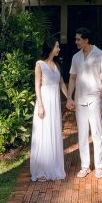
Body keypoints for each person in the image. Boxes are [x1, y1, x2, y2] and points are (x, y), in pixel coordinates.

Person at [67, 28, 102, 179]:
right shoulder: (75, 57)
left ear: (86, 40)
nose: (76, 42)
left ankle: (99, 167)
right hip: (79, 101)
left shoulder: (100, 55)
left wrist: (101, 94)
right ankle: (85, 166)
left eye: (78, 39)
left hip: (94, 99)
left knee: (97, 133)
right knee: (82, 134)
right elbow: (72, 78)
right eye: (76, 39)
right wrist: (69, 98)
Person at [30, 36, 69, 182]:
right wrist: (40, 105)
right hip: (45, 103)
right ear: (50, 47)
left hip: (55, 104)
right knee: (43, 134)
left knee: (53, 132)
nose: (59, 49)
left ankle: (54, 167)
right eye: (57, 46)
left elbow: (62, 84)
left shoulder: (57, 65)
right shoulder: (39, 64)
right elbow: (37, 86)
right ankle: (42, 171)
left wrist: (69, 98)